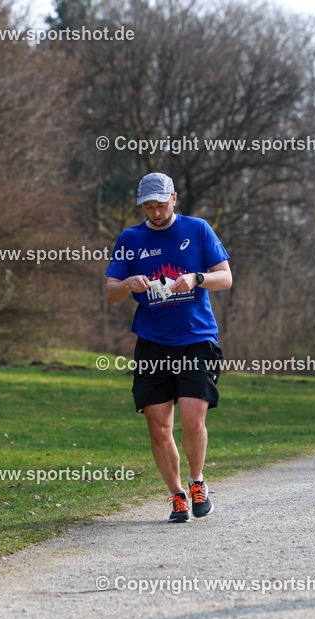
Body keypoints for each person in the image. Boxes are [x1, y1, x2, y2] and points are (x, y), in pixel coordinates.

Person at [105, 172, 232, 523]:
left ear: (174, 199)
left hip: (196, 339)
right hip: (152, 343)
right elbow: (111, 292)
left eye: (161, 205)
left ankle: (197, 482)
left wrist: (197, 278)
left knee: (193, 421)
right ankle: (177, 496)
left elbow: (226, 277)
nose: (156, 213)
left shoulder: (198, 229)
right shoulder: (131, 238)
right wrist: (128, 283)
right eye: (148, 206)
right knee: (159, 427)